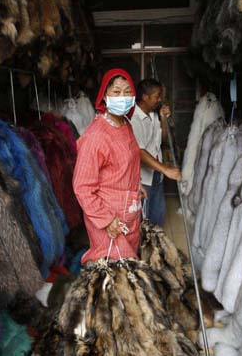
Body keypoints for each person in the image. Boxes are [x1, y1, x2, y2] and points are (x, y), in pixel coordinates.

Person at [73, 68, 146, 265]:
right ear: (104, 96)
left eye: (127, 91)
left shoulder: (125, 125)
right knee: (113, 278)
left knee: (129, 269)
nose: (122, 96)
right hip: (108, 220)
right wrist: (106, 221)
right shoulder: (96, 136)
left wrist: (136, 188)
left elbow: (125, 164)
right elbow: (82, 187)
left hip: (128, 214)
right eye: (116, 92)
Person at [130, 78, 181, 226]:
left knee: (158, 215)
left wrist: (163, 119)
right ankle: (143, 247)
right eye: (157, 96)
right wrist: (166, 169)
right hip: (143, 178)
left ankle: (156, 245)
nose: (160, 99)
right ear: (145, 97)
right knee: (143, 220)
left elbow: (163, 139)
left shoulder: (152, 115)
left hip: (156, 174)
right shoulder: (135, 119)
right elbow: (139, 152)